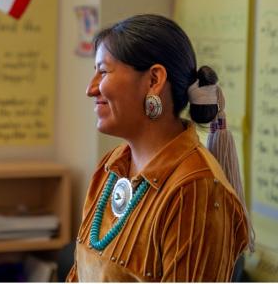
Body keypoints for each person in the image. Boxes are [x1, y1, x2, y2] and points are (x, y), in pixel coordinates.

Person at [66, 14, 253, 282]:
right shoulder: (112, 165)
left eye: (103, 71)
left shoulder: (194, 189)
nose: (90, 88)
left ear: (154, 80)